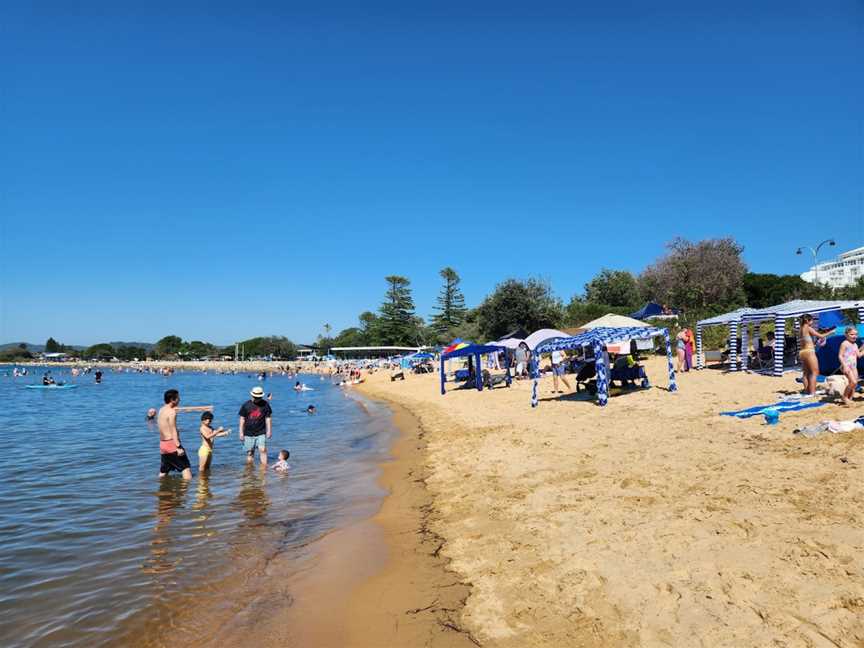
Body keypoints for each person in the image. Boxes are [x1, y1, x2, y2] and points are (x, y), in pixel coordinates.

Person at [157, 389, 211, 479]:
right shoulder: (172, 412)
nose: (180, 399)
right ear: (172, 399)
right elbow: (173, 430)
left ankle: (161, 490)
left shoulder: (161, 410)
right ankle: (184, 492)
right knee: (186, 470)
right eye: (178, 398)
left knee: (164, 471)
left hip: (163, 445)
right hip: (172, 444)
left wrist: (201, 408)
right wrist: (178, 446)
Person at [799, 314, 835, 395]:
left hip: (802, 352)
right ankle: (812, 393)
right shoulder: (808, 328)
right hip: (809, 352)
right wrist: (831, 332)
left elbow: (807, 340)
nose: (813, 322)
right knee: (814, 372)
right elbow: (821, 336)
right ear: (808, 321)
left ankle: (807, 390)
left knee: (806, 373)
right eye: (812, 320)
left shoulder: (801, 329)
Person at [239, 386, 273, 467]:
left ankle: (264, 469)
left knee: (263, 449)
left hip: (261, 431)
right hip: (248, 432)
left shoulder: (265, 404)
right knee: (250, 452)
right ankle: (249, 471)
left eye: (259, 397)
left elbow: (268, 418)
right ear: (252, 396)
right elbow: (242, 419)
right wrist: (241, 432)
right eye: (256, 397)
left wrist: (269, 431)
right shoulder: (246, 405)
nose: (257, 399)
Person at [837, 326, 863, 405]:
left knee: (854, 384)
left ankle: (850, 398)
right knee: (853, 382)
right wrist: (844, 365)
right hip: (846, 366)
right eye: (852, 334)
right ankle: (844, 397)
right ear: (846, 335)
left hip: (853, 366)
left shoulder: (855, 345)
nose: (854, 336)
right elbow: (840, 355)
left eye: (856, 334)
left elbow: (859, 355)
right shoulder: (844, 343)